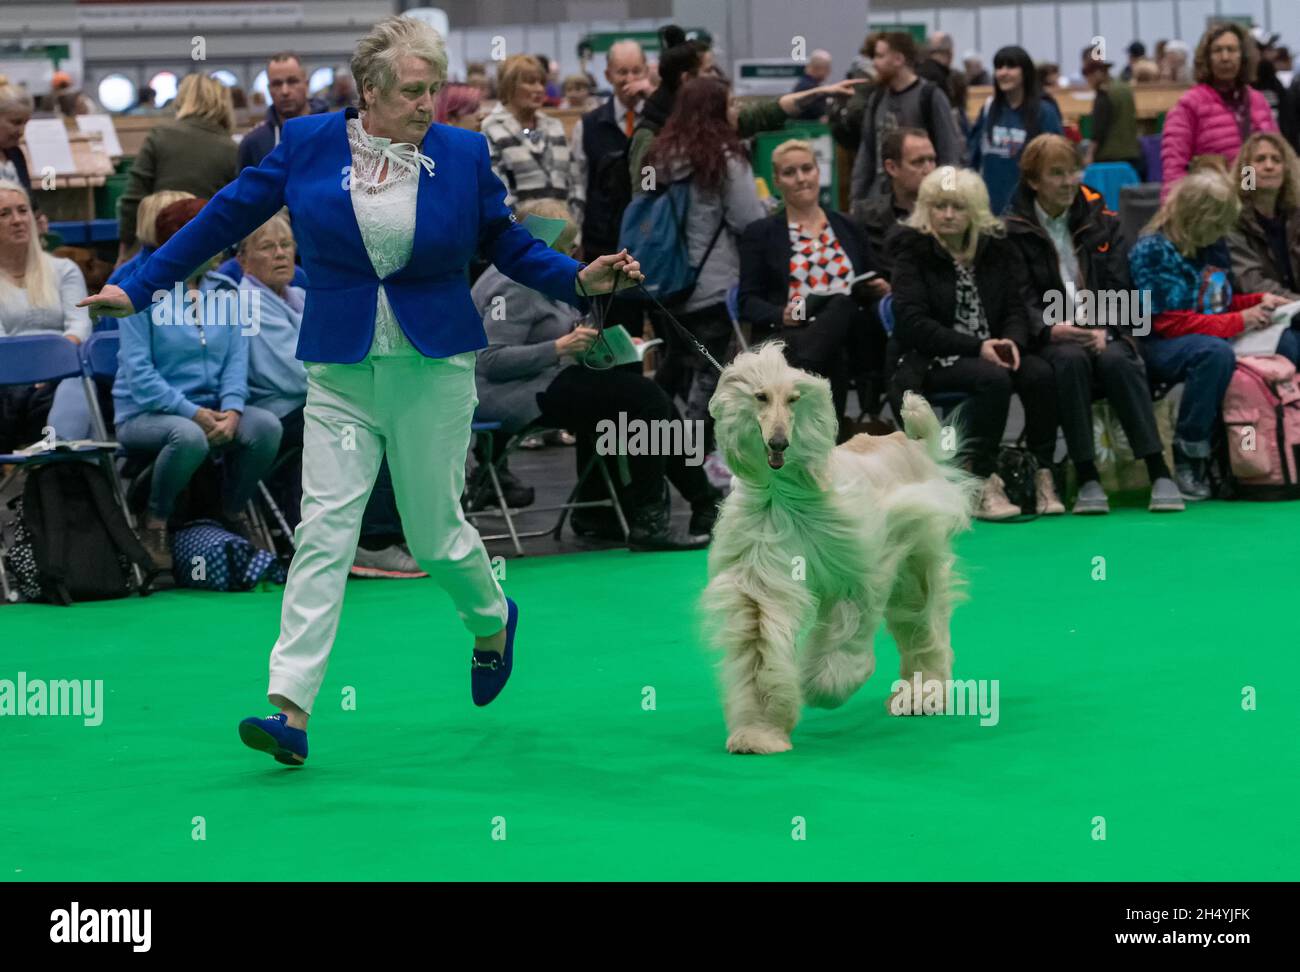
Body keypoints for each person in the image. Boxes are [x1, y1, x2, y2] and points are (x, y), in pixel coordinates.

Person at [80, 15, 643, 764]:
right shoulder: (307, 143)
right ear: (369, 93)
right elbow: (224, 216)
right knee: (324, 532)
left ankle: (491, 618)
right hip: (341, 370)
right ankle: (290, 710)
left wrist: (577, 278)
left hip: (433, 367)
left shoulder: (463, 153)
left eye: (434, 90)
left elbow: (504, 242)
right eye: (413, 91)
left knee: (436, 535)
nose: (428, 104)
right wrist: (138, 284)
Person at [472, 199, 719, 551]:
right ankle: (664, 514)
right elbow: (490, 361)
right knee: (644, 399)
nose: (574, 253)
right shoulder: (512, 282)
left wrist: (599, 345)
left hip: (543, 381)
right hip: (506, 394)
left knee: (646, 397)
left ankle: (639, 510)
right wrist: (560, 347)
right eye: (566, 247)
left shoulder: (539, 275)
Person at [233, 212, 425, 579]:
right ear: (242, 260)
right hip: (279, 413)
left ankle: (416, 531)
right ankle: (372, 543)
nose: (280, 254)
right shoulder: (246, 306)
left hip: (323, 397)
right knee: (372, 425)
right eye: (267, 247)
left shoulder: (302, 295)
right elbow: (292, 374)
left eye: (286, 245)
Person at [1005, 135, 1183, 514]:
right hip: (1053, 333)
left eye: (1073, 170)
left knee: (1119, 359)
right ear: (1034, 181)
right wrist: (1049, 329)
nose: (1069, 181)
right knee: (1069, 360)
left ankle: (1158, 469)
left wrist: (1108, 329)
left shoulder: (1103, 219)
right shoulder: (1013, 229)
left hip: (1106, 324)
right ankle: (1086, 475)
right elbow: (1018, 297)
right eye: (1057, 173)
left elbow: (1123, 283)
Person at [109, 198, 282, 567]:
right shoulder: (136, 292)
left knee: (265, 427)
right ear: (181, 242)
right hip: (146, 413)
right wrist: (192, 413)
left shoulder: (225, 290)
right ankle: (154, 521)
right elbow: (140, 376)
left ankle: (231, 511)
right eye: (210, 237)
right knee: (187, 437)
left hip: (215, 410)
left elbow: (237, 359)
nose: (221, 247)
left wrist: (233, 409)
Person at [889, 166, 1061, 521]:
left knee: (1041, 373)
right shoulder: (912, 250)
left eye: (958, 207)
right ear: (927, 209)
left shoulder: (995, 248)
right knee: (993, 380)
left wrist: (1011, 342)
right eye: (940, 206)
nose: (948, 215)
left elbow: (1015, 307)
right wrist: (977, 347)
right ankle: (981, 478)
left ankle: (1044, 472)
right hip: (933, 358)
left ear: (975, 211)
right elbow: (912, 324)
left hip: (990, 349)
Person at [1129, 168, 1299, 500]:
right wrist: (1240, 320)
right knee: (1213, 354)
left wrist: (1257, 302)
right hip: (1160, 343)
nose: (1224, 231)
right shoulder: (1153, 251)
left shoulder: (1212, 243)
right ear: (1198, 217)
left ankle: (1278, 447)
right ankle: (1189, 452)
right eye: (1218, 222)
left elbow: (1217, 303)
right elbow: (1168, 322)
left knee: (1290, 342)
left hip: (1210, 333)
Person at [642, 77, 766, 453]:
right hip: (712, 281)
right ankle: (692, 451)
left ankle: (647, 434)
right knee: (711, 372)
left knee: (676, 363)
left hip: (664, 280)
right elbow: (748, 220)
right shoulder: (725, 160)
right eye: (730, 105)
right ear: (715, 111)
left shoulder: (660, 157)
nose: (735, 112)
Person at [739, 139, 890, 432]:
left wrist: (880, 287)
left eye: (807, 168)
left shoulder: (847, 226)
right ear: (777, 181)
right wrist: (779, 314)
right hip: (795, 326)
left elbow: (874, 274)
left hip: (852, 332)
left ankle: (808, 369)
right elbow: (746, 301)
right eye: (790, 172)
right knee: (835, 346)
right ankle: (835, 432)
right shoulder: (761, 233)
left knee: (843, 305)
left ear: (818, 171)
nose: (801, 178)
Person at [0, 180, 91, 451]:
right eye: (4, 214)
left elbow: (80, 326)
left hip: (62, 375)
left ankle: (60, 459)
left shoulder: (64, 270)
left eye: (22, 210)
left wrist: (53, 367)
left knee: (77, 381)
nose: (17, 220)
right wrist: (32, 371)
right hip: (7, 382)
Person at [116, 73, 238, 263]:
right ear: (223, 103)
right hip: (208, 254)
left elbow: (133, 200)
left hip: (157, 250)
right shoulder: (232, 149)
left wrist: (124, 250)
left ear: (182, 99)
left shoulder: (159, 137)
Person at [1160, 22, 1278, 200]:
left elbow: (1276, 152)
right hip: (1213, 205)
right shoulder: (1190, 104)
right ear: (1207, 58)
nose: (1225, 57)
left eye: (1231, 50)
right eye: (1217, 50)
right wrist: (1175, 210)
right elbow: (1174, 166)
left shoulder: (1257, 101)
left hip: (1255, 200)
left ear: (1243, 56)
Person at [849, 31, 964, 206]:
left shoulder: (930, 96)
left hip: (922, 203)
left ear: (898, 59)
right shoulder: (877, 98)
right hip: (881, 204)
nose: (874, 63)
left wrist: (946, 198)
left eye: (880, 56)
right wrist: (857, 200)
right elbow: (867, 154)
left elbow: (949, 151)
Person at [570, 39, 653, 263]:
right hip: (602, 243)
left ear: (647, 71)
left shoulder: (659, 121)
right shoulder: (587, 125)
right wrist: (577, 238)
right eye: (622, 72)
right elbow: (579, 185)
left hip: (652, 238)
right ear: (608, 76)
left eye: (637, 71)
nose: (630, 79)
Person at [480, 53, 580, 219]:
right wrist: (524, 237)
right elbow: (497, 191)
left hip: (565, 236)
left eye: (541, 82)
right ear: (509, 86)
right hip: (519, 237)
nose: (540, 89)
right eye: (530, 82)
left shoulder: (555, 126)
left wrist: (572, 230)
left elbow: (575, 182)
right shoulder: (492, 129)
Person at [969, 45, 1064, 215]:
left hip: (1031, 213)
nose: (1003, 72)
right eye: (999, 67)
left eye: (1011, 66)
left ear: (1025, 72)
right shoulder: (989, 109)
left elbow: (1058, 159)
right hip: (990, 210)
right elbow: (973, 158)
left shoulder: (1044, 111)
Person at [1227, 132, 1300, 302]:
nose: (1269, 166)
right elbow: (1250, 282)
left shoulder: (1294, 214)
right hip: (1261, 314)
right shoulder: (1233, 219)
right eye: (1260, 160)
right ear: (1246, 171)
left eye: (1276, 160)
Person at [855, 127, 936, 277]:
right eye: (918, 162)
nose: (929, 169)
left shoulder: (946, 214)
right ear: (892, 168)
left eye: (932, 160)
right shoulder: (866, 218)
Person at [238, 53, 330, 171]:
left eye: (292, 81)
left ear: (306, 85)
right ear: (269, 89)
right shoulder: (254, 143)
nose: (285, 91)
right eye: (277, 84)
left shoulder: (332, 131)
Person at [1081, 49, 1142, 176]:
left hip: (1109, 158)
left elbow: (1099, 129)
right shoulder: (1125, 88)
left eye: (1088, 76)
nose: (1088, 82)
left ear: (1097, 73)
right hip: (1132, 153)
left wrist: (1089, 155)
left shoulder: (1104, 93)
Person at [790, 49, 833, 120]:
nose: (829, 72)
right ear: (819, 68)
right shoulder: (809, 89)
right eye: (827, 68)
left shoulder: (805, 84)